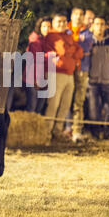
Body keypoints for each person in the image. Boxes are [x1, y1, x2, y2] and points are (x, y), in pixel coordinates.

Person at [43, 13, 83, 141]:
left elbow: (79, 52)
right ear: (53, 23)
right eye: (59, 22)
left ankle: (57, 131)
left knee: (65, 105)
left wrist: (70, 51)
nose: (62, 24)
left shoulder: (68, 36)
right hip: (56, 73)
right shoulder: (52, 36)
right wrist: (71, 51)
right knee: (53, 104)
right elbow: (64, 51)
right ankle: (47, 132)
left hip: (69, 74)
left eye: (64, 22)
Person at [86, 17, 109, 140]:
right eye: (97, 24)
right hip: (93, 82)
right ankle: (95, 135)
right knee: (93, 111)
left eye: (102, 24)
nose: (99, 27)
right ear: (93, 26)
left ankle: (108, 134)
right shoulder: (88, 42)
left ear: (105, 26)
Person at [23, 16, 51, 113]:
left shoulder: (44, 40)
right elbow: (35, 60)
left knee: (39, 106)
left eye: (49, 26)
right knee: (32, 106)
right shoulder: (35, 41)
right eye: (44, 26)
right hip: (32, 78)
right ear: (39, 27)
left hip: (40, 78)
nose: (46, 29)